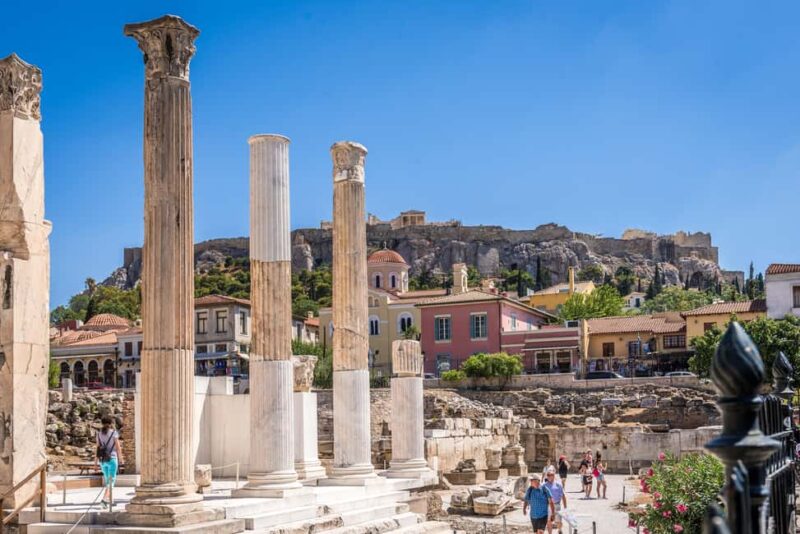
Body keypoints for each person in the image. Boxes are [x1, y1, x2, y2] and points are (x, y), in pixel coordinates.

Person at [94, 415, 123, 508]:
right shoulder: (114, 433)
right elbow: (118, 448)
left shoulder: (99, 434)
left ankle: (110, 500)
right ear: (111, 423)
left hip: (102, 461)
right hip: (112, 459)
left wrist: (95, 463)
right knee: (111, 482)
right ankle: (104, 500)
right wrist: (121, 458)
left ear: (102, 423)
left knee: (107, 481)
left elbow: (97, 449)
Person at [544, 467, 567, 534]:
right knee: (549, 521)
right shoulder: (544, 485)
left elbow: (563, 496)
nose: (549, 476)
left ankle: (559, 530)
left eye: (551, 475)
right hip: (548, 506)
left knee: (558, 521)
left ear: (554, 475)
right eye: (548, 475)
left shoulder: (558, 485)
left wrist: (565, 508)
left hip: (556, 505)